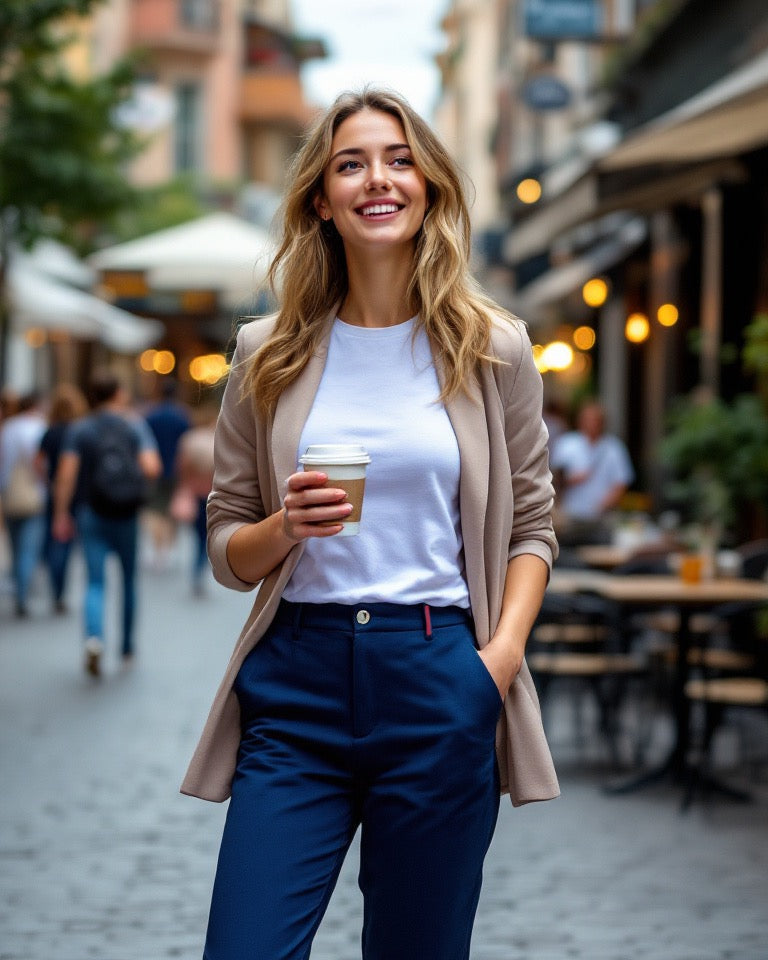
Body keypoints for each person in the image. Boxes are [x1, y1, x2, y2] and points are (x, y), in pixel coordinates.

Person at [183, 88, 559, 960]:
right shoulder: (265, 352)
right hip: (297, 686)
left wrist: (496, 664)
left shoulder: (492, 347)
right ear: (322, 199)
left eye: (398, 160)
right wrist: (285, 527)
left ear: (428, 186)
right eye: (350, 164)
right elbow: (227, 545)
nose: (377, 179)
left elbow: (532, 527)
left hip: (437, 675)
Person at [53, 372, 161, 676]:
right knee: (128, 581)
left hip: (92, 512)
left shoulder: (80, 429)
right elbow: (152, 468)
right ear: (119, 394)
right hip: (125, 514)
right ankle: (126, 648)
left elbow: (66, 476)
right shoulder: (134, 426)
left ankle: (94, 638)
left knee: (95, 582)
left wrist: (61, 513)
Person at [550, 399, 635, 545]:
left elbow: (621, 482)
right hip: (570, 516)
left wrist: (605, 504)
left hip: (601, 518)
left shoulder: (613, 448)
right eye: (588, 419)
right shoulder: (567, 444)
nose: (592, 424)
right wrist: (571, 480)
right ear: (580, 421)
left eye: (595, 420)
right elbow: (554, 478)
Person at [38, 383, 89, 613]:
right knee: (68, 543)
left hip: (56, 492)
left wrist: (47, 481)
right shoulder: (81, 432)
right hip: (79, 493)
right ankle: (61, 588)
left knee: (57, 539)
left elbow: (38, 462)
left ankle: (56, 588)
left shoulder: (50, 432)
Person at [0, 393, 46, 616]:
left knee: (16, 544)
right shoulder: (38, 427)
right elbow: (39, 463)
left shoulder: (9, 428)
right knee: (28, 547)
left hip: (10, 492)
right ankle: (22, 593)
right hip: (32, 493)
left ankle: (18, 585)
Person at [144, 379, 192, 570]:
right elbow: (187, 446)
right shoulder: (182, 417)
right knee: (172, 511)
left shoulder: (151, 416)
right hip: (176, 469)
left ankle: (157, 549)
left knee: (154, 510)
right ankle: (168, 549)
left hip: (154, 469)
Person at [170, 408, 216, 595]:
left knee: (198, 535)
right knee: (206, 535)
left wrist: (183, 486)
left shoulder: (189, 440)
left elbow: (181, 466)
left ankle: (197, 569)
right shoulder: (215, 440)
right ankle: (200, 567)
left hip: (195, 491)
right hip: (212, 492)